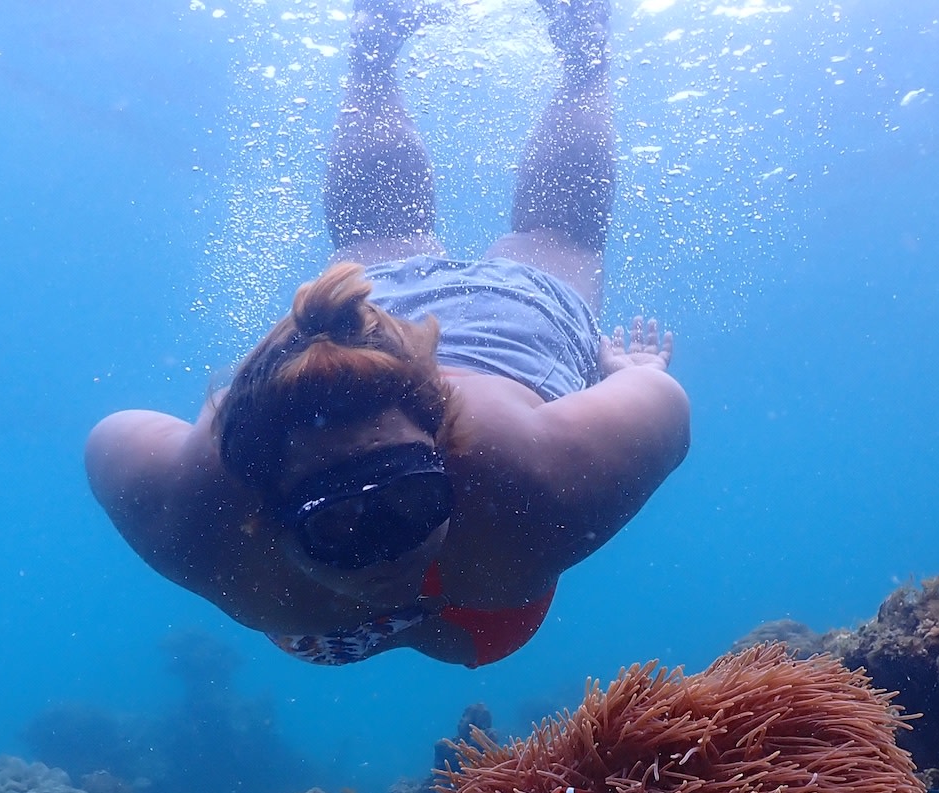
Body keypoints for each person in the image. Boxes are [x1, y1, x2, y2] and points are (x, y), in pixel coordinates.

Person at [85, 0, 689, 667]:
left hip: (500, 343)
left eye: (411, 498)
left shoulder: (526, 479)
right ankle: (568, 49)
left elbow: (664, 411)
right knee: (454, 240)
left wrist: (639, 377)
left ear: (444, 449)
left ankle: (435, 50)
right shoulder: (200, 515)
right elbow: (108, 440)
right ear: (258, 507)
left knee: (482, 238)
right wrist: (637, 379)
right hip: (439, 325)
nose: (389, 553)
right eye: (337, 524)